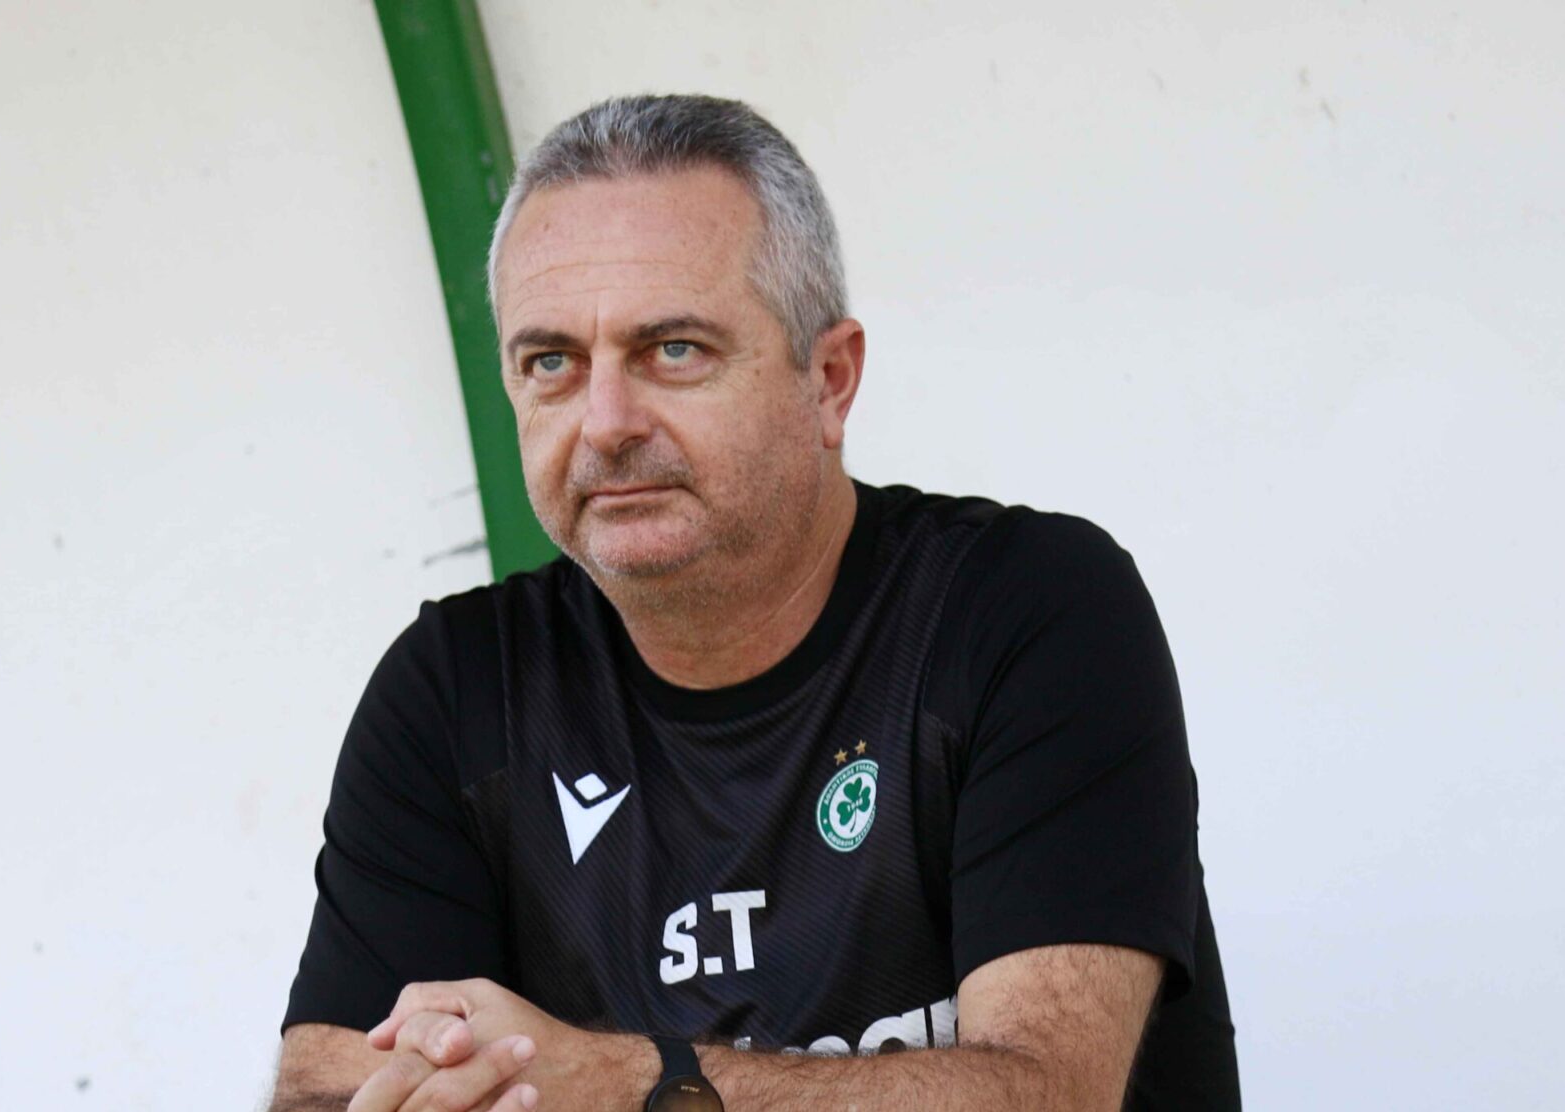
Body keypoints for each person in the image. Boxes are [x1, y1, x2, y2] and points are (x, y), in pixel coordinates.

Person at [271, 94, 1240, 1112]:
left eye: (672, 350)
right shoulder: (456, 688)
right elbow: (323, 1089)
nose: (604, 422)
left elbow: (1048, 1094)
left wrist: (623, 1084)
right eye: (551, 361)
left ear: (829, 379)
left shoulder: (1026, 608)